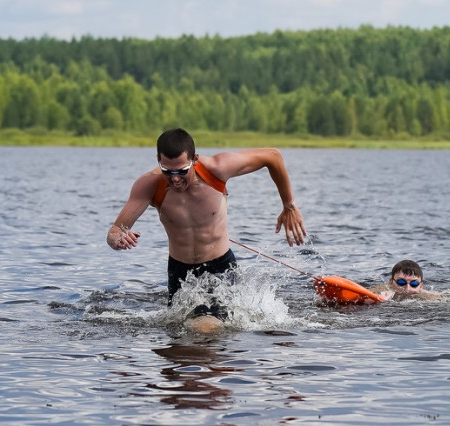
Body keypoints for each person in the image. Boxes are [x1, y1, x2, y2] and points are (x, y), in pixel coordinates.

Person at [107, 128, 307, 332]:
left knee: (203, 330)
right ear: (158, 159)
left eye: (181, 171)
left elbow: (272, 156)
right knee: (178, 338)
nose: (175, 179)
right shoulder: (149, 184)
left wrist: (289, 205)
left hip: (220, 267)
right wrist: (119, 239)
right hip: (179, 272)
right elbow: (115, 231)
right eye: (168, 171)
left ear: (195, 158)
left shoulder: (216, 169)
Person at [369, 259, 439, 301]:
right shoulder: (380, 290)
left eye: (414, 284)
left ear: (421, 286)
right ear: (391, 283)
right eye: (401, 282)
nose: (407, 288)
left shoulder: (430, 297)